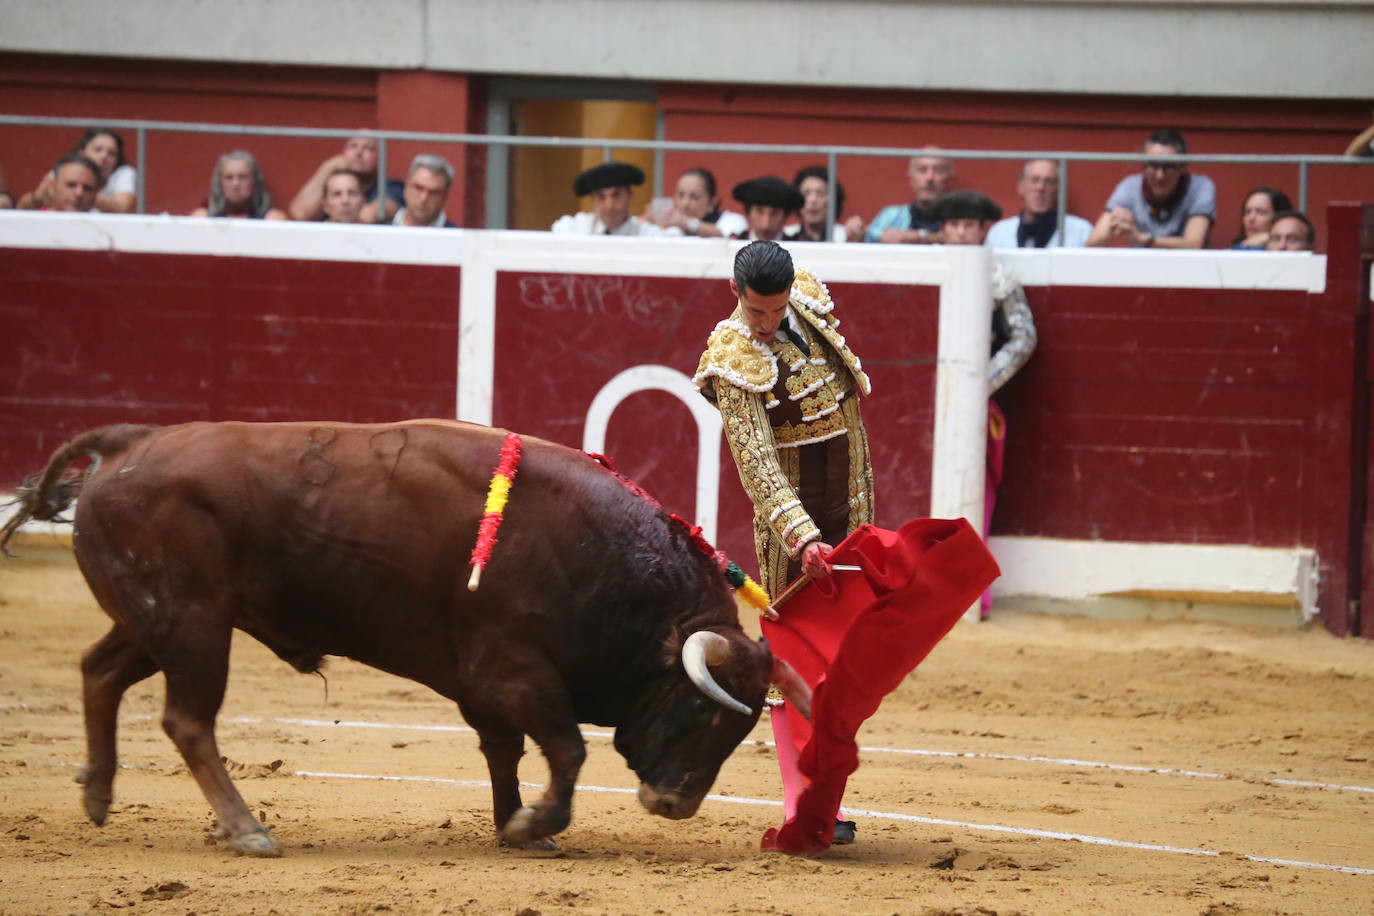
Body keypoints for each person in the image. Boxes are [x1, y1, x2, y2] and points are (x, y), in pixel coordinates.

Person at [693, 240, 873, 846]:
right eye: (755, 313)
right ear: (735, 295)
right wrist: (803, 541)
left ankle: (828, 803)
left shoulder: (812, 304)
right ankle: (806, 808)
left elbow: (849, 415)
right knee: (794, 659)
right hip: (796, 520)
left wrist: (856, 519)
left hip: (850, 493)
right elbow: (759, 468)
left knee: (847, 656)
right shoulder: (730, 353)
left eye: (774, 312)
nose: (765, 325)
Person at [932, 191, 1037, 617]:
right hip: (923, 403)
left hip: (976, 405)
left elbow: (1023, 338)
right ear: (942, 228)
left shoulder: (998, 276)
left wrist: (979, 385)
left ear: (983, 229)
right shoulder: (927, 267)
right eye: (954, 224)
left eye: (970, 225)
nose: (961, 231)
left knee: (979, 497)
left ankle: (971, 592)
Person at [1086, 128, 1215, 249]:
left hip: (1188, 268)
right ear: (1144, 165)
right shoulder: (1130, 187)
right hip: (1139, 269)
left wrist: (1143, 239)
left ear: (1182, 167)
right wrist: (1115, 225)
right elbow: (1092, 244)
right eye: (1153, 165)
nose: (1160, 175)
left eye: (1168, 167)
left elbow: (1193, 244)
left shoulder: (1200, 187)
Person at [18, 128, 138, 214]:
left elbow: (122, 207)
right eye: (98, 150)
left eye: (111, 153)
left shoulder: (123, 173)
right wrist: (38, 198)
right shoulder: (66, 168)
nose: (104, 157)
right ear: (81, 152)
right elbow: (24, 206)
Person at [287, 135, 404, 222]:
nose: (359, 152)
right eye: (353, 146)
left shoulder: (392, 187)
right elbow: (300, 213)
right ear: (343, 152)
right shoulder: (332, 182)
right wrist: (327, 168)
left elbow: (367, 217)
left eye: (368, 148)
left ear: (379, 158)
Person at [983, 159, 1093, 248]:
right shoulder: (999, 233)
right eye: (1034, 180)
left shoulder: (1081, 232)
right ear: (1021, 186)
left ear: (1059, 189)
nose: (1040, 188)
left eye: (1049, 181)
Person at [864, 149, 955, 244]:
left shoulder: (962, 221)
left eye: (938, 171)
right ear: (911, 178)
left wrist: (920, 236)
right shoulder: (892, 216)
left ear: (950, 179)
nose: (930, 178)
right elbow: (869, 237)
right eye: (922, 170)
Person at [551, 161, 663, 236]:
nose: (609, 206)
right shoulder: (577, 227)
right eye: (601, 197)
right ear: (593, 199)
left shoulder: (645, 233)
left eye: (616, 195)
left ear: (629, 195)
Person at [643, 167, 747, 238]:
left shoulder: (731, 220)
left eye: (695, 197)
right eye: (680, 195)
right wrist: (646, 222)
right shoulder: (671, 227)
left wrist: (687, 223)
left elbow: (727, 236)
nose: (685, 204)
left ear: (712, 201)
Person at [190, 150, 288, 220]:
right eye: (229, 177)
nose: (236, 184)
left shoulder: (272, 220)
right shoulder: (203, 219)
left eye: (243, 177)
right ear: (220, 183)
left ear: (254, 181)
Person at [783, 165, 863, 243]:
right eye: (806, 193)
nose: (813, 200)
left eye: (821, 193)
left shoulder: (846, 237)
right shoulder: (786, 238)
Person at [19, 154, 101, 213]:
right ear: (51, 187)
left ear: (95, 194)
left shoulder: (104, 230)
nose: (79, 193)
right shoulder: (30, 224)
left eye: (87, 188)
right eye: (71, 185)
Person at [729, 176, 803, 241]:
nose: (766, 224)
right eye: (759, 212)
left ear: (785, 216)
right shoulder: (733, 243)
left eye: (774, 214)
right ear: (748, 212)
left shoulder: (799, 248)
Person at [392, 154, 457, 228]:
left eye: (433, 193)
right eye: (418, 188)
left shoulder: (457, 237)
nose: (424, 199)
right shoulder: (380, 229)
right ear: (406, 187)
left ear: (445, 197)